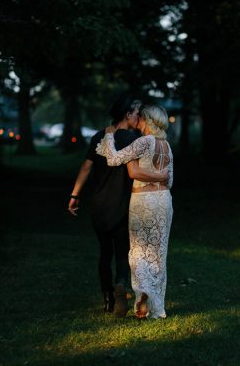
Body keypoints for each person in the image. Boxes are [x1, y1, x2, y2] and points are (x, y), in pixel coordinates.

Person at [68, 98, 168, 318]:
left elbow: (86, 167)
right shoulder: (135, 140)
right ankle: (120, 283)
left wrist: (75, 194)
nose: (137, 117)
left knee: (105, 253)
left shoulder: (100, 136)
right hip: (123, 204)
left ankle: (107, 299)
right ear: (127, 114)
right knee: (123, 252)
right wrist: (161, 178)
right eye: (135, 113)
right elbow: (142, 169)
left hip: (99, 205)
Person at [96, 104, 173, 319]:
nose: (138, 120)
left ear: (148, 120)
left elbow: (113, 159)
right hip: (164, 201)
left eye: (142, 118)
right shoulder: (166, 146)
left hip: (144, 200)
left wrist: (109, 137)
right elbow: (170, 178)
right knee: (159, 255)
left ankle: (143, 298)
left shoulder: (143, 142)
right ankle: (158, 308)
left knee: (139, 251)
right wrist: (159, 177)